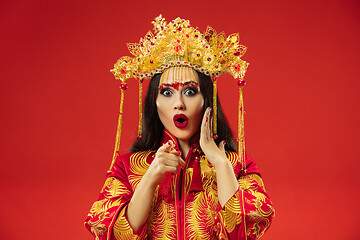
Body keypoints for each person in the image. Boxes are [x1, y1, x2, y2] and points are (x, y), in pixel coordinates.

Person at [85, 15, 274, 240]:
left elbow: (244, 232)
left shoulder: (238, 166)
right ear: (153, 103)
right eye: (166, 93)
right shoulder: (127, 168)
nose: (178, 104)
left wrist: (221, 164)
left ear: (208, 99)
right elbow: (113, 235)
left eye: (190, 91)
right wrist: (149, 179)